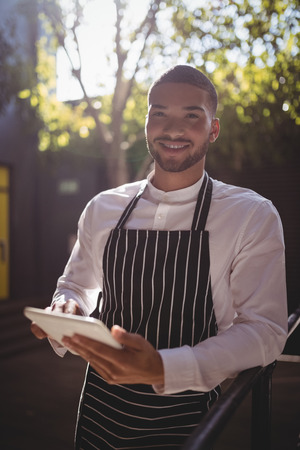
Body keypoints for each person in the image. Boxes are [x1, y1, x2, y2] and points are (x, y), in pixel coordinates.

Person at [31, 65, 288, 449]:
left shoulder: (251, 215)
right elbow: (78, 285)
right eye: (160, 113)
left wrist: (164, 367)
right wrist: (66, 307)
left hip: (185, 425)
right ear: (147, 121)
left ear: (213, 129)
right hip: (98, 417)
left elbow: (265, 330)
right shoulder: (103, 207)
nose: (173, 128)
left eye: (191, 115)